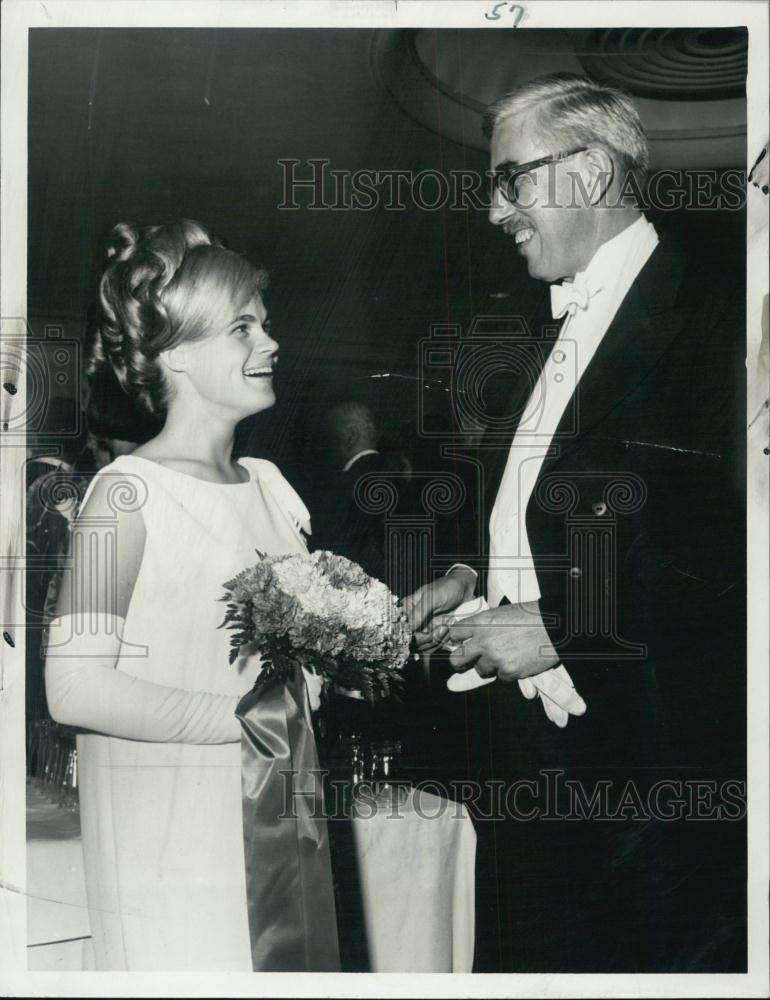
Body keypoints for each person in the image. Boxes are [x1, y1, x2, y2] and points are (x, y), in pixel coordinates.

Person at [403, 74, 746, 971]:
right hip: (526, 759)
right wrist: (478, 575)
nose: (493, 212)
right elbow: (549, 515)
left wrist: (563, 626)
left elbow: (731, 556)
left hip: (652, 776)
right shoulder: (534, 325)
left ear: (590, 174)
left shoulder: (724, 320)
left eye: (510, 180)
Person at [44, 220, 322, 970]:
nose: (270, 343)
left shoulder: (267, 484)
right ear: (177, 356)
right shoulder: (122, 494)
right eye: (243, 328)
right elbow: (73, 687)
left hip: (277, 819)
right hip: (169, 844)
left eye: (264, 323)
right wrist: (254, 724)